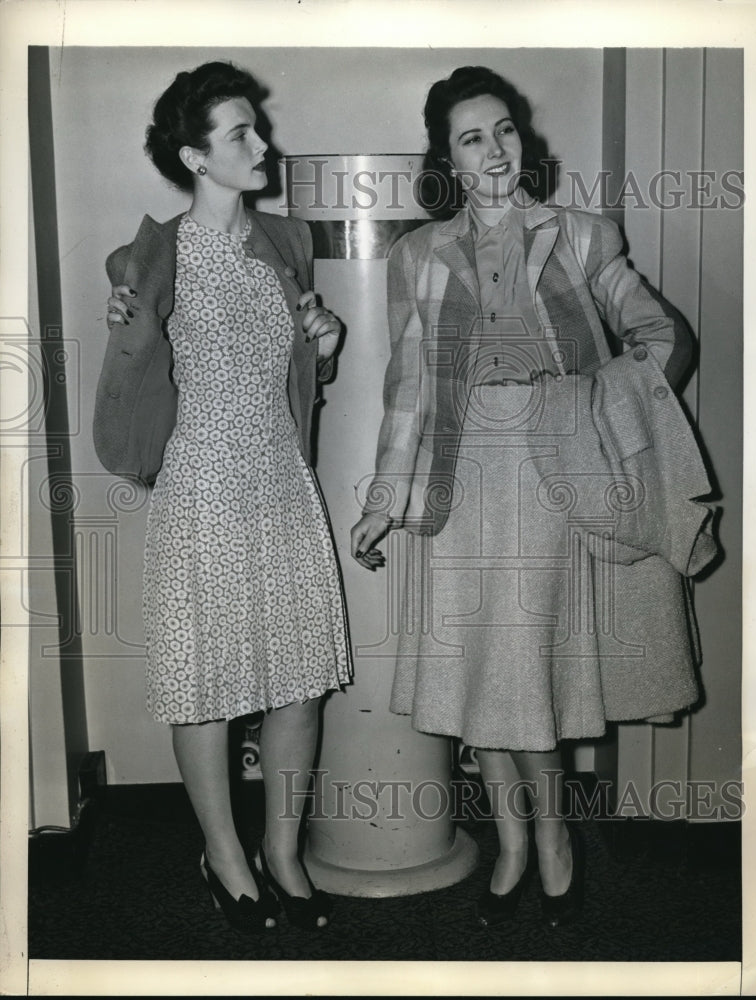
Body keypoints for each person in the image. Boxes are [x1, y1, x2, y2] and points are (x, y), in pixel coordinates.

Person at [350, 66, 717, 930]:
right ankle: (514, 845)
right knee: (485, 685)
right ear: (446, 158)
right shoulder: (415, 253)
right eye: (473, 137)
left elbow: (666, 339)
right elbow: (409, 388)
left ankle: (550, 843)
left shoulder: (584, 236)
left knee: (524, 683)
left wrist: (576, 398)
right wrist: (383, 498)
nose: (495, 150)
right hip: (457, 482)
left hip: (552, 479)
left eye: (505, 129)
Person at [95, 61, 352, 933]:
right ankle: (226, 855)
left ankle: (283, 848)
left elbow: (297, 358)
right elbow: (130, 327)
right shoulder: (152, 254)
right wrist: (122, 314)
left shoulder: (288, 240)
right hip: (200, 482)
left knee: (300, 680)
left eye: (256, 127)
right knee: (205, 683)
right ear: (194, 157)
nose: (262, 144)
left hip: (282, 477)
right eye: (240, 133)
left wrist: (324, 337)